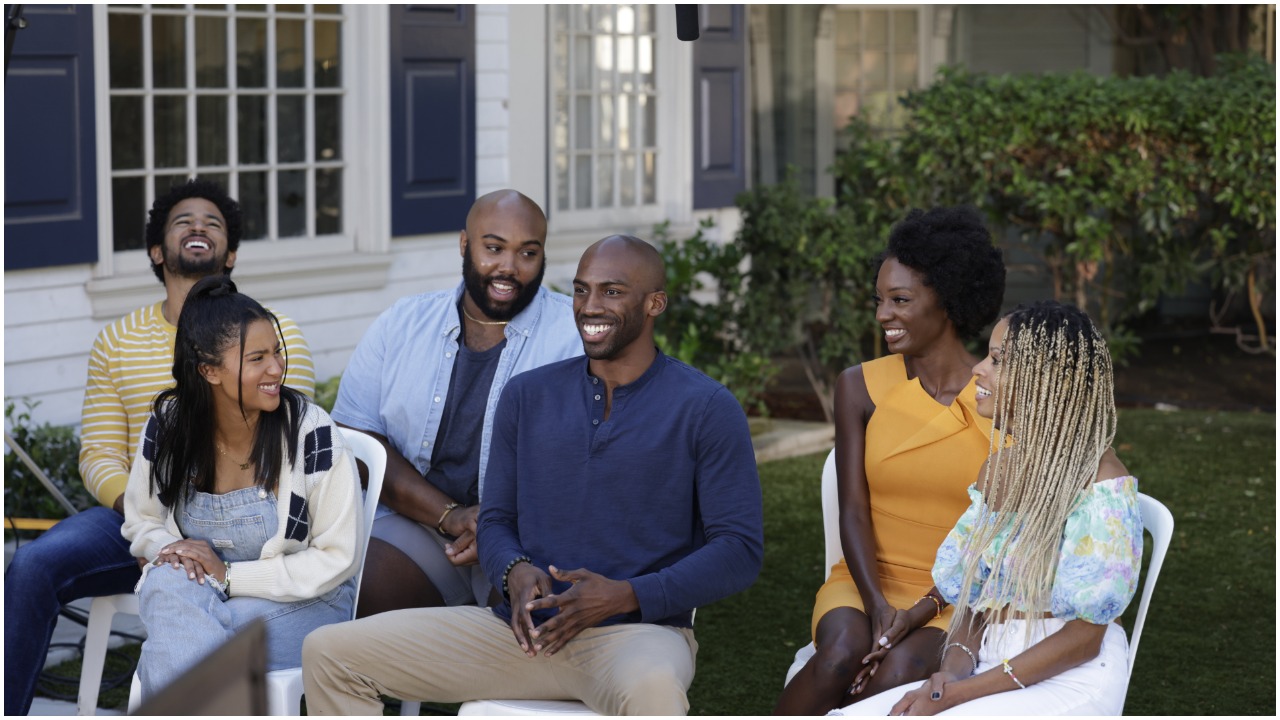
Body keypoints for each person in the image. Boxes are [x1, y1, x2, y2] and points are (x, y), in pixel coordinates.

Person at [302, 235, 764, 715]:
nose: (589, 307)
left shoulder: (707, 408)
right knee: (330, 654)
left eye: (612, 291)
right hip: (516, 633)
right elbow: (497, 519)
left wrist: (626, 594)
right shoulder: (528, 396)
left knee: (653, 689)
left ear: (655, 303)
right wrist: (513, 571)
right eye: (582, 290)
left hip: (636, 637)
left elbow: (739, 550)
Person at [3, 179, 314, 716]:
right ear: (156, 250)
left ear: (231, 254)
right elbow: (98, 454)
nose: (198, 227)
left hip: (244, 528)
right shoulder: (116, 340)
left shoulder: (275, 332)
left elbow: (292, 443)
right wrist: (145, 516)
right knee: (32, 564)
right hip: (134, 517)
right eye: (182, 221)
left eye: (213, 223)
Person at [834, 301, 1143, 715]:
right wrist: (952, 674)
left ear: (1044, 380)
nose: (978, 369)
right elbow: (975, 599)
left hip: (1067, 673)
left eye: (997, 361)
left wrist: (963, 693)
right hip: (985, 664)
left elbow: (1083, 640)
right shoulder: (998, 470)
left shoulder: (1101, 484)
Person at [776, 207, 1006, 714]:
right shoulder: (859, 386)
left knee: (896, 673)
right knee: (840, 655)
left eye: (900, 300)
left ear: (947, 302)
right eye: (879, 300)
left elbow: (997, 535)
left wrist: (922, 610)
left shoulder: (1000, 398)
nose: (883, 315)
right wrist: (878, 604)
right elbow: (852, 510)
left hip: (953, 596)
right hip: (865, 580)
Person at [330, 189, 580, 617]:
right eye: (494, 248)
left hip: (533, 536)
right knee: (359, 587)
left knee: (534, 622)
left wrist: (500, 530)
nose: (508, 267)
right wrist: (452, 516)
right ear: (465, 244)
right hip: (425, 525)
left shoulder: (572, 336)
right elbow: (355, 439)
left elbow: (590, 459)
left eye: (528, 253)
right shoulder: (402, 324)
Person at [121, 275, 359, 699]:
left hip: (307, 604)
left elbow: (337, 559)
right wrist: (172, 553)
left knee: (178, 624)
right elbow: (142, 522)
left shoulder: (310, 433)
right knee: (171, 589)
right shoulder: (170, 427)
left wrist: (229, 576)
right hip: (197, 596)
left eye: (277, 353)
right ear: (209, 370)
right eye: (257, 358)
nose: (276, 369)